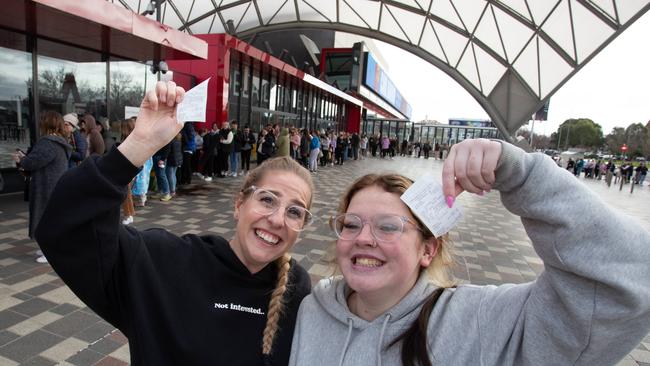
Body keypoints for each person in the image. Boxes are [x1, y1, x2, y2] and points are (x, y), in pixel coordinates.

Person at [289, 138, 650, 366]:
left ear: (427, 250)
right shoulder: (313, 310)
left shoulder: (481, 321)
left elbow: (630, 279)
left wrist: (522, 176)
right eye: (351, 224)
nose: (364, 238)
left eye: (388, 226)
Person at [35, 81, 313, 365]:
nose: (278, 219)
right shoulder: (163, 263)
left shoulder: (298, 289)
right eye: (267, 200)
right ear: (239, 204)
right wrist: (138, 145)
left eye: (295, 211)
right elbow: (65, 228)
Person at [12, 111, 72, 264]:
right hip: (55, 186)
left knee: (45, 221)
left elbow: (33, 162)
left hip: (46, 187)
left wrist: (21, 159)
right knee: (53, 220)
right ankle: (50, 249)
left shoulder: (48, 142)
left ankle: (50, 252)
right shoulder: (60, 142)